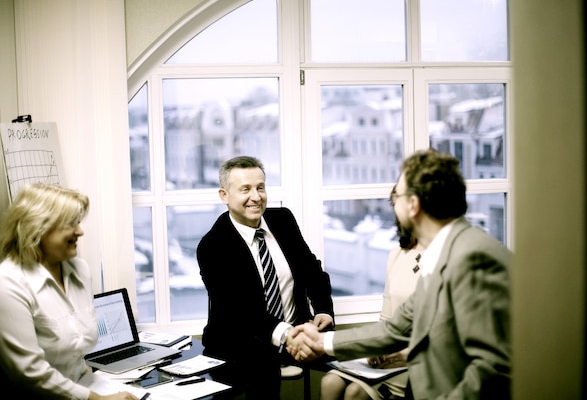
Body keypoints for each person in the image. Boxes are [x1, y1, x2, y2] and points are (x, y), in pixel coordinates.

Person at [287, 148, 512, 400]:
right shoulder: (439, 254)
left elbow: (492, 368)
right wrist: (321, 342)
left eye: (398, 196)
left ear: (413, 205)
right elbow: (395, 329)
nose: (393, 204)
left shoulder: (474, 258)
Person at [196, 156, 335, 400]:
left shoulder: (283, 220)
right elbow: (239, 311)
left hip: (300, 333)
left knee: (352, 363)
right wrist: (288, 335)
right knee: (263, 374)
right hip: (241, 343)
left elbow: (312, 271)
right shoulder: (213, 247)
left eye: (260, 187)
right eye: (245, 189)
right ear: (224, 196)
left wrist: (323, 310)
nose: (256, 197)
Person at [0, 183, 140, 400]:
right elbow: (29, 373)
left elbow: (77, 354)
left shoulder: (79, 269)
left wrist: (101, 388)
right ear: (38, 227)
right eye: (70, 223)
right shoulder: (8, 282)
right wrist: (98, 399)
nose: (80, 231)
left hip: (84, 386)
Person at [320, 185, 425, 400]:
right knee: (329, 382)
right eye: (394, 204)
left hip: (416, 362)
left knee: (355, 393)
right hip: (387, 355)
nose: (397, 211)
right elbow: (385, 320)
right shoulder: (397, 255)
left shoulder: (445, 258)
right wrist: (375, 348)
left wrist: (402, 355)